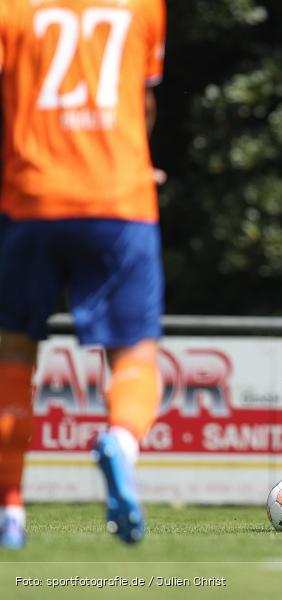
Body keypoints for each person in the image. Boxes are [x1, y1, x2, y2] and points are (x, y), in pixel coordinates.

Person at [0, 0, 167, 548]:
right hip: (120, 200)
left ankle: (10, 510)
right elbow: (142, 100)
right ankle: (121, 442)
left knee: (14, 355)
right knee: (136, 355)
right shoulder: (144, 5)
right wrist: (136, 158)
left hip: (31, 201)